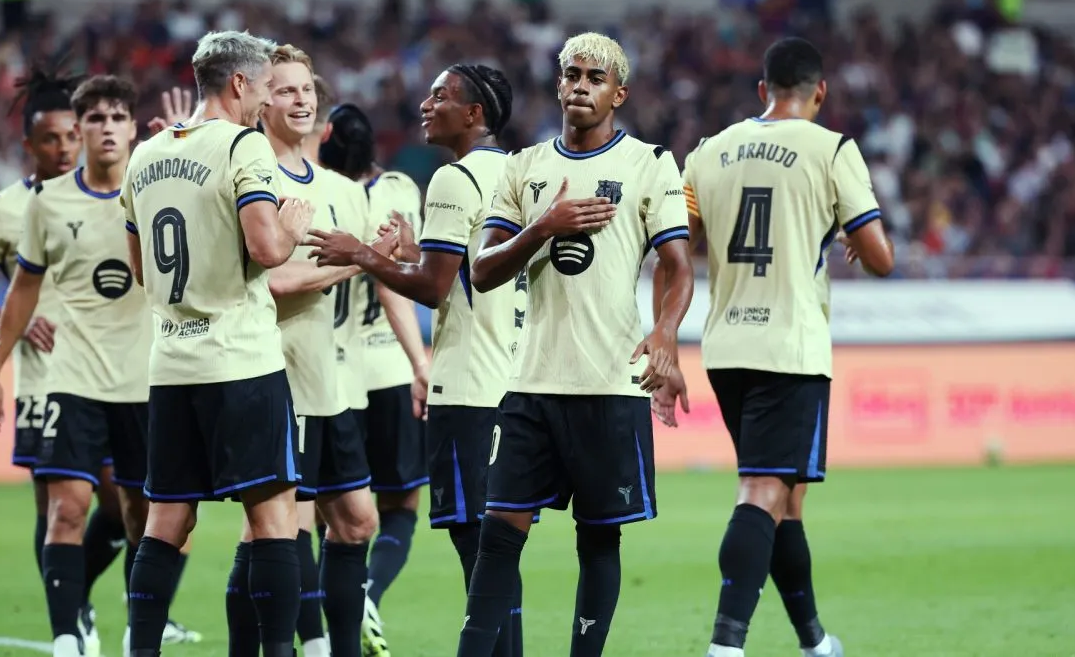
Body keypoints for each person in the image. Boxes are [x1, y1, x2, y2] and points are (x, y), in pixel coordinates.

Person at [653, 37, 893, 657]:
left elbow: (675, 252)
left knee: (787, 499)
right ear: (820, 92)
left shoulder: (708, 152)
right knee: (761, 490)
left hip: (727, 347)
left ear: (762, 90)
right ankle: (726, 646)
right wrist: (848, 233)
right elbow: (881, 259)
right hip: (790, 347)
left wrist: (664, 339)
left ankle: (815, 643)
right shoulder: (832, 149)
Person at [457, 32, 694, 657]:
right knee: (498, 534)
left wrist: (665, 330)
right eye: (571, 74)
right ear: (558, 83)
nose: (580, 86)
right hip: (530, 383)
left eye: (595, 77)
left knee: (599, 540)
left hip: (609, 384)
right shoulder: (524, 167)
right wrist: (544, 225)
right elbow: (482, 271)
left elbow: (678, 265)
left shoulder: (650, 163)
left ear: (619, 93)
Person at [306, 63, 526, 657]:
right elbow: (466, 274)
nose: (426, 105)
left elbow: (432, 287)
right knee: (498, 555)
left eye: (441, 96)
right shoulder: (518, 172)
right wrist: (412, 254)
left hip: (467, 388)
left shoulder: (454, 179)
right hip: (513, 385)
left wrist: (361, 254)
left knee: (479, 555)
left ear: (474, 114)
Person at [120, 30, 314, 657]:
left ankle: (140, 650)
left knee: (166, 521)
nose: (268, 100)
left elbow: (141, 270)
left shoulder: (145, 155)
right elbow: (267, 249)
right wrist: (291, 228)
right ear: (238, 83)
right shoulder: (242, 145)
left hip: (172, 365)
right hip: (240, 361)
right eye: (265, 87)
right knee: (273, 519)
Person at [224, 43, 395, 657]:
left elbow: (377, 266)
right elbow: (270, 282)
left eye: (307, 90)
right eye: (285, 90)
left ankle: (334, 649)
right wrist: (355, 262)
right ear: (261, 101)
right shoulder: (250, 178)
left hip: (330, 381)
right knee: (272, 531)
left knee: (356, 521)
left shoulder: (343, 190)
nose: (300, 100)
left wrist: (390, 255)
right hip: (274, 379)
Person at [0, 74, 152, 657]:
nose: (107, 129)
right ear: (80, 130)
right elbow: (17, 289)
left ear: (133, 127)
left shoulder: (154, 191)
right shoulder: (37, 204)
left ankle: (136, 626)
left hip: (142, 380)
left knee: (139, 514)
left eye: (118, 117)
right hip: (65, 377)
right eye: (95, 119)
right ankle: (66, 636)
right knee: (64, 507)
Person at [315, 101, 430, 655]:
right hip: (388, 367)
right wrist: (420, 363)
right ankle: (368, 592)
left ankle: (327, 624)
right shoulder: (398, 191)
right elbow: (399, 277)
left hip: (332, 371)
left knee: (330, 512)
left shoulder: (314, 192)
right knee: (400, 506)